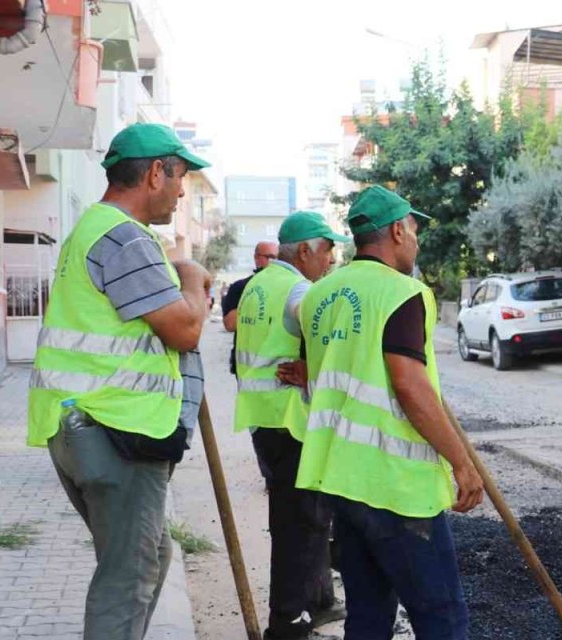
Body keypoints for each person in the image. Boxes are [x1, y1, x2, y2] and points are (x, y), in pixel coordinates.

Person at [27, 123, 212, 639]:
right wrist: (193, 278)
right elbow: (185, 329)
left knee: (151, 556)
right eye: (181, 179)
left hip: (81, 426)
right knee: (127, 578)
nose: (181, 192)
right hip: (115, 429)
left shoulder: (93, 228)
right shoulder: (125, 237)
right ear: (157, 172)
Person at [295, 185, 484, 638]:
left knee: (369, 615)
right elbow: (409, 384)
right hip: (396, 486)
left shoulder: (318, 297)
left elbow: (310, 372)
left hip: (342, 479)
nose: (416, 241)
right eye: (414, 230)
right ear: (398, 230)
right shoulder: (403, 293)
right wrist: (462, 463)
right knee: (442, 616)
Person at [234, 212, 350, 640]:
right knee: (299, 526)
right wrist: (315, 372)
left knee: (296, 520)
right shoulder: (299, 289)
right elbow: (332, 342)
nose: (331, 260)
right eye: (327, 250)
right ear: (304, 251)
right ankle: (287, 622)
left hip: (263, 419)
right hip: (291, 421)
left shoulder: (257, 285)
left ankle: (313, 603)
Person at [224, 241, 280, 373]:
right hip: (247, 365)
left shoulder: (286, 286)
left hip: (276, 361)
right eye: (269, 257)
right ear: (256, 258)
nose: (274, 262)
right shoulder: (241, 287)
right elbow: (230, 324)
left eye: (277, 258)